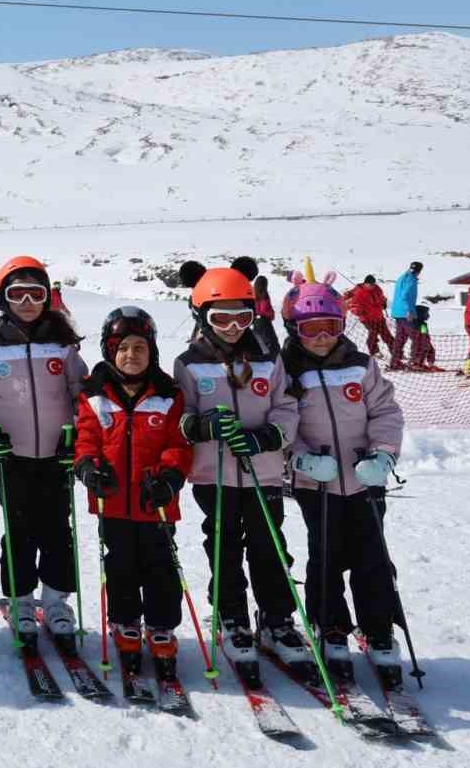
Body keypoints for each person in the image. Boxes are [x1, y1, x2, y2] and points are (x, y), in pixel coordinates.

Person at [172, 262, 304, 675]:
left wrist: (269, 436)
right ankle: (231, 616)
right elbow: (182, 415)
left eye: (242, 317)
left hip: (262, 472)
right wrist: (203, 426)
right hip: (215, 475)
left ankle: (277, 618)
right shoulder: (189, 363)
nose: (232, 326)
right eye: (221, 318)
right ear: (201, 318)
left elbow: (286, 406)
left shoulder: (267, 358)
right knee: (223, 545)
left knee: (270, 545)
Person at [279, 281, 405, 684]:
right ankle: (330, 624)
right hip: (317, 482)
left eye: (330, 327)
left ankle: (378, 626)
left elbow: (386, 412)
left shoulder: (361, 365)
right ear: (293, 329)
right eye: (310, 329)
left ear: (343, 326)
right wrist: (298, 457)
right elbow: (281, 419)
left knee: (372, 555)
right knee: (326, 553)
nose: (321, 338)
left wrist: (383, 454)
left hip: (366, 480)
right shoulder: (287, 372)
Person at [0, 255, 87, 640]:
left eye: (36, 293)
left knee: (56, 528)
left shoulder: (62, 346)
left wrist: (79, 439)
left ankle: (55, 601)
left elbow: (81, 395)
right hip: (11, 456)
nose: (28, 302)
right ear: (4, 298)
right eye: (18, 294)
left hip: (56, 454)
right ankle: (20, 600)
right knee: (17, 529)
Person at [73, 307, 192, 682]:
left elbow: (179, 444)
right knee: (121, 565)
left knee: (161, 568)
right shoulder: (95, 393)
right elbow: (86, 439)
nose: (131, 355)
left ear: (152, 351)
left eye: (140, 347)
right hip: (112, 501)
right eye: (122, 347)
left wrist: (170, 477)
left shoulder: (168, 394)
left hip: (154, 504)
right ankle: (125, 622)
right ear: (110, 351)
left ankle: (161, 627)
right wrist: (89, 468)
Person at [345, 275, 393, 358]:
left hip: (379, 316)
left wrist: (384, 302)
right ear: (365, 284)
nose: (372, 286)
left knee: (387, 335)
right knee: (373, 333)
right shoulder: (359, 293)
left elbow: (382, 297)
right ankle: (374, 352)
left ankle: (396, 352)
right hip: (367, 318)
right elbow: (352, 306)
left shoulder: (377, 289)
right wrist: (358, 311)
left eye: (373, 284)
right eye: (370, 285)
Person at [388, 261, 424, 371]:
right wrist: (408, 311)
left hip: (397, 312)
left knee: (400, 338)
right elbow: (405, 296)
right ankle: (414, 362)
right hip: (405, 313)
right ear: (419, 271)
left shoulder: (402, 277)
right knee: (417, 337)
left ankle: (395, 362)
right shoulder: (411, 279)